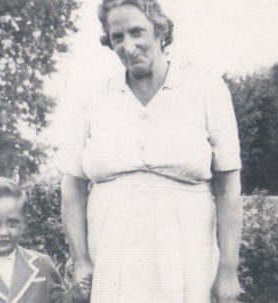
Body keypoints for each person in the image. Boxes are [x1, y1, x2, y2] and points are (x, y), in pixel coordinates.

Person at [58, 0, 243, 302]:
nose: (128, 46)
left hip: (186, 252)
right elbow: (72, 188)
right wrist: (80, 261)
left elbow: (228, 188)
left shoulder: (206, 89)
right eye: (117, 37)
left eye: (136, 32)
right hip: (113, 253)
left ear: (160, 30)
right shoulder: (92, 97)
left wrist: (227, 270)